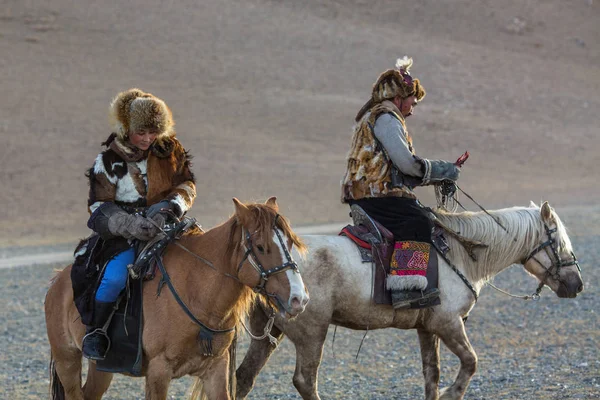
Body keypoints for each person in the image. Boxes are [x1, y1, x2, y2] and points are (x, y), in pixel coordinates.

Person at [80, 88, 196, 359]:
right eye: (141, 132)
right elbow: (98, 207)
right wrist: (129, 224)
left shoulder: (170, 151)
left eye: (153, 132)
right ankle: (96, 331)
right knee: (115, 277)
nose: (147, 139)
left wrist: (172, 205)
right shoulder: (108, 160)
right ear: (126, 128)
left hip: (168, 223)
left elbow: (187, 184)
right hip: (124, 233)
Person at [341, 57, 460, 309]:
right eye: (412, 103)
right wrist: (444, 169)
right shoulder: (386, 118)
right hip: (375, 195)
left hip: (370, 193)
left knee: (419, 214)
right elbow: (406, 164)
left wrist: (442, 174)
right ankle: (405, 290)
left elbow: (399, 171)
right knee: (418, 221)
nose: (413, 109)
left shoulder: (377, 117)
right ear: (398, 98)